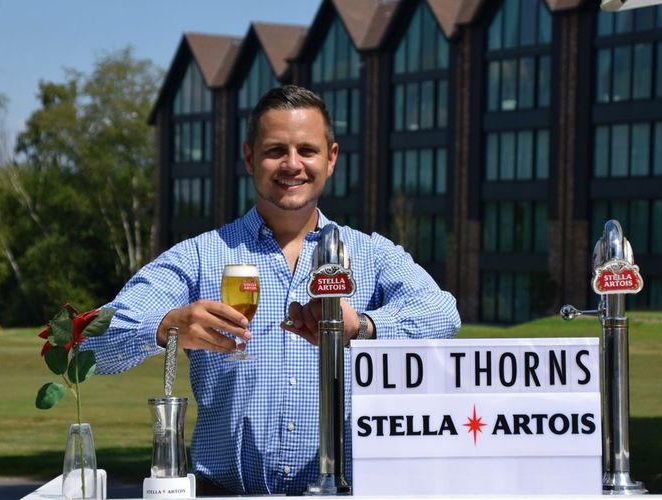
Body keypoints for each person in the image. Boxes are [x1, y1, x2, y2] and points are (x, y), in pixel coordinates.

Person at [84, 85, 460, 495]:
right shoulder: (199, 256)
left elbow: (443, 314)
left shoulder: (370, 254)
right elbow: (88, 343)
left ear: (331, 159)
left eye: (307, 150)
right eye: (275, 150)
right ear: (249, 157)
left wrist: (364, 328)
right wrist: (167, 325)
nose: (292, 164)